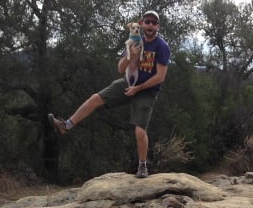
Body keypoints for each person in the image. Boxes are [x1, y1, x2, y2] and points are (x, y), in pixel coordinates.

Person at [49, 10, 171, 178]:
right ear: (141, 24)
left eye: (153, 23)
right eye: (147, 22)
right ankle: (66, 125)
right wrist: (131, 56)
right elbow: (121, 68)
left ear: (158, 26)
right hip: (129, 82)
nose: (150, 25)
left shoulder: (161, 47)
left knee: (139, 130)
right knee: (95, 98)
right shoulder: (134, 42)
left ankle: (142, 166)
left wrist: (138, 88)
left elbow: (160, 77)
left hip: (147, 91)